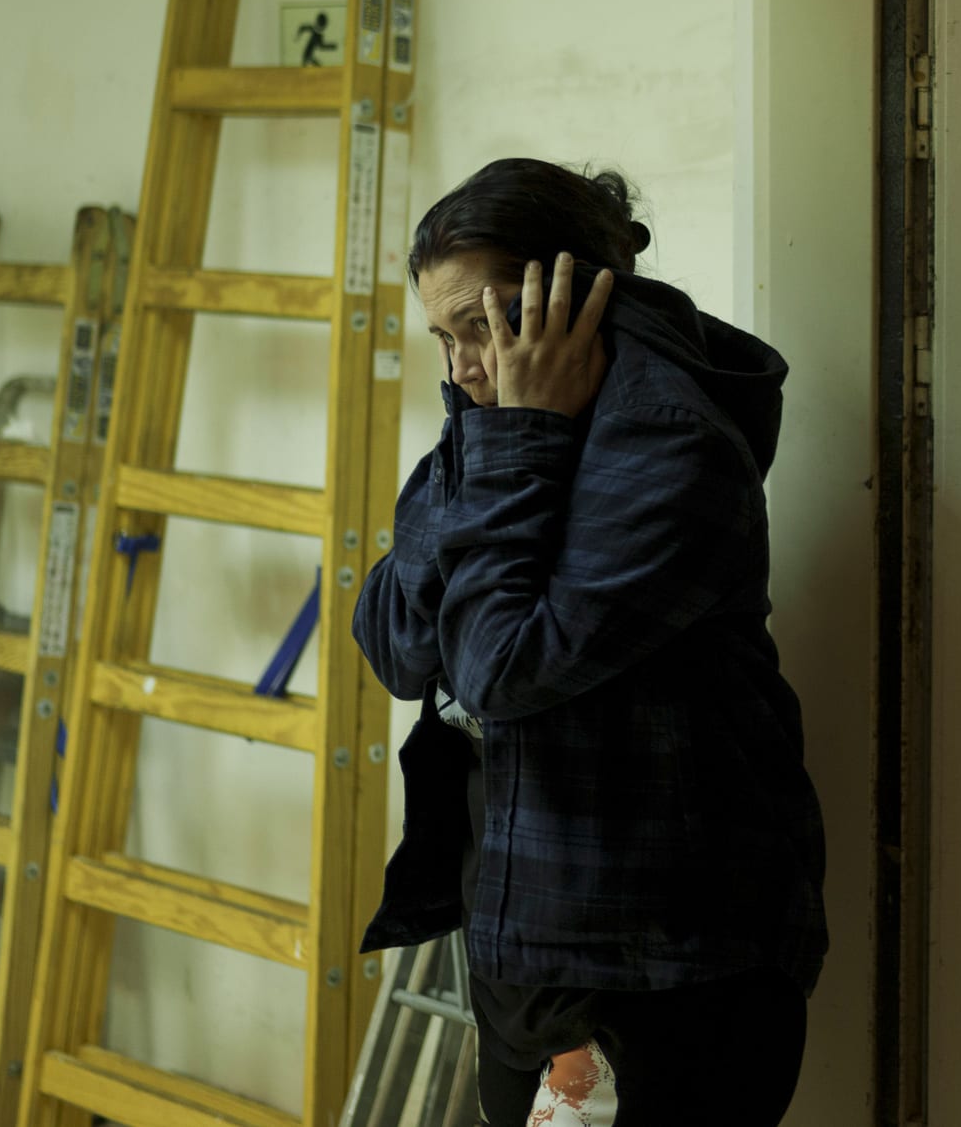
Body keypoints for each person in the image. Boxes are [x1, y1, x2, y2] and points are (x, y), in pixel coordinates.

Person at [352, 157, 827, 1126]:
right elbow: (396, 641)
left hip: (667, 976)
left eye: (480, 326)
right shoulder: (488, 422)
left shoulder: (667, 437)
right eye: (443, 337)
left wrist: (518, 437)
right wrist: (497, 439)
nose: (461, 367)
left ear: (571, 293)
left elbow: (498, 667)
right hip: (537, 950)